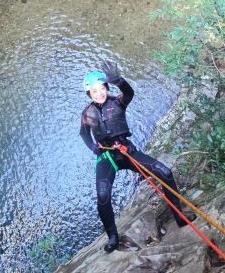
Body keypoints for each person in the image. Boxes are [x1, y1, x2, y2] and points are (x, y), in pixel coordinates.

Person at [79, 60, 193, 252]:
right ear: (89, 94)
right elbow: (84, 134)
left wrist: (119, 80)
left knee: (164, 172)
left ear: (107, 88)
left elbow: (129, 93)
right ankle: (113, 236)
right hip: (107, 158)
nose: (100, 94)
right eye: (94, 92)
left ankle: (179, 216)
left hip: (127, 152)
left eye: (102, 89)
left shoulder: (117, 103)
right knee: (103, 195)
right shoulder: (87, 114)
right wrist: (93, 147)